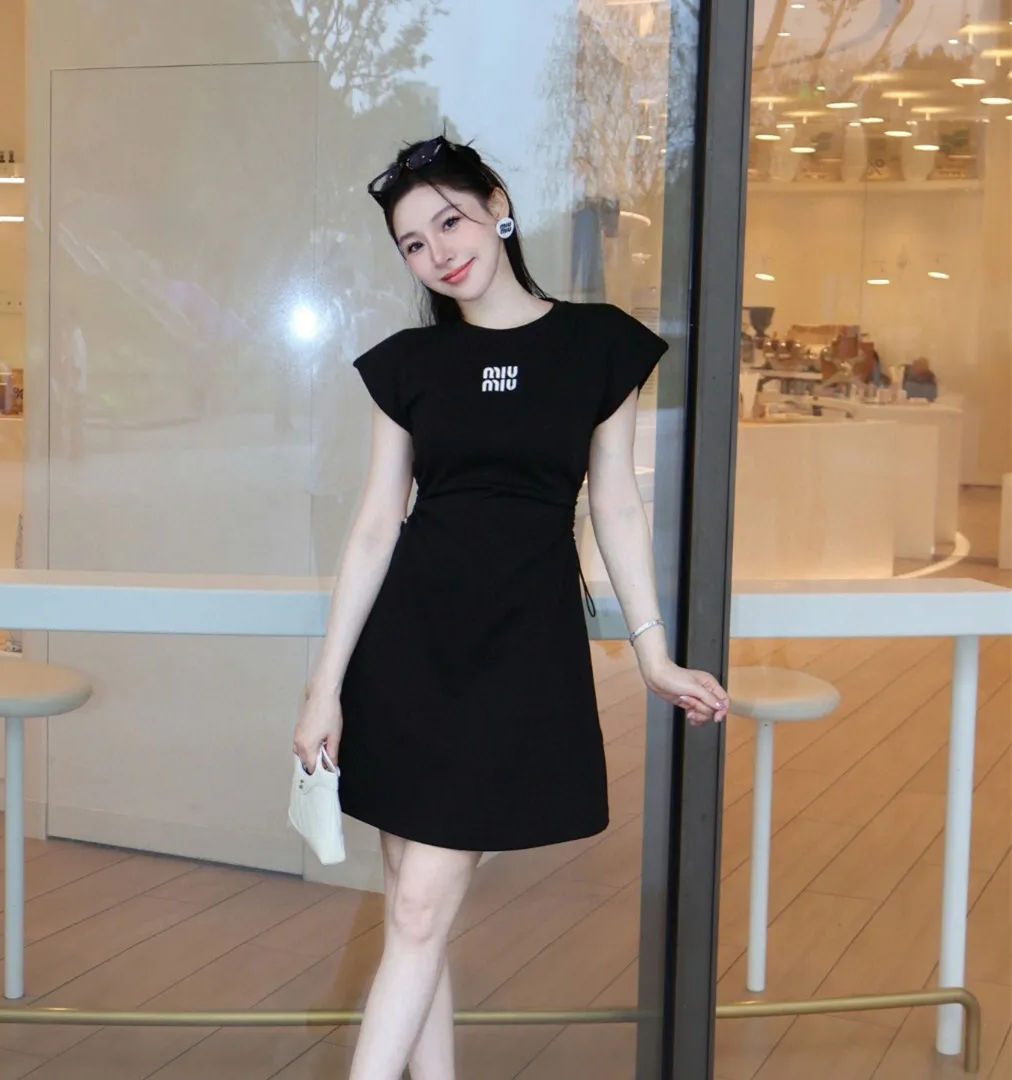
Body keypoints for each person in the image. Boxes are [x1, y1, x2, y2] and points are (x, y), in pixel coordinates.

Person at [291, 135, 730, 1080]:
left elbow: (616, 504)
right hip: (407, 654)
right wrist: (324, 689)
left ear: (497, 206)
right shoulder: (408, 364)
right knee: (415, 907)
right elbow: (374, 529)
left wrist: (653, 653)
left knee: (419, 911)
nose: (438, 252)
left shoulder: (598, 344)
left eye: (449, 221)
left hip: (519, 654)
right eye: (413, 243)